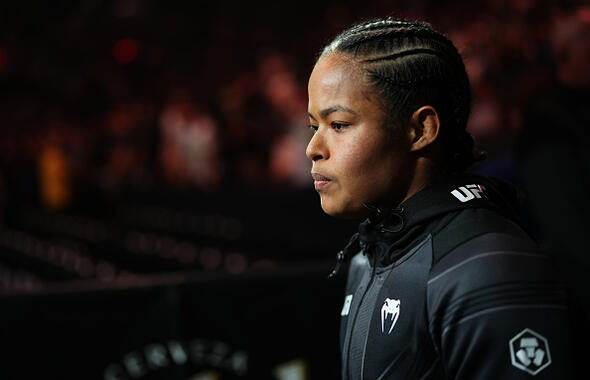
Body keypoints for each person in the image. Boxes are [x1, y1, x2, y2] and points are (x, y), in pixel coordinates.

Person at [305, 18, 574, 379]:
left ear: (420, 129)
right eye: (313, 126)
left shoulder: (489, 268)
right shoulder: (368, 258)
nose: (313, 148)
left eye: (338, 125)